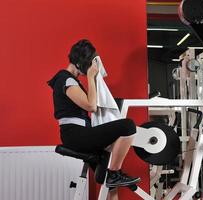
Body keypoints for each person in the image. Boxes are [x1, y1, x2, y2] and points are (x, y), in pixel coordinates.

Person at [47, 39, 140, 196]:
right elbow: (91, 106)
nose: (90, 68)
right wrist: (90, 77)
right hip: (75, 135)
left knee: (110, 185)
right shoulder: (66, 79)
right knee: (128, 126)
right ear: (79, 62)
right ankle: (114, 174)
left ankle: (112, 176)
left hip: (80, 133)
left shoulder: (71, 80)